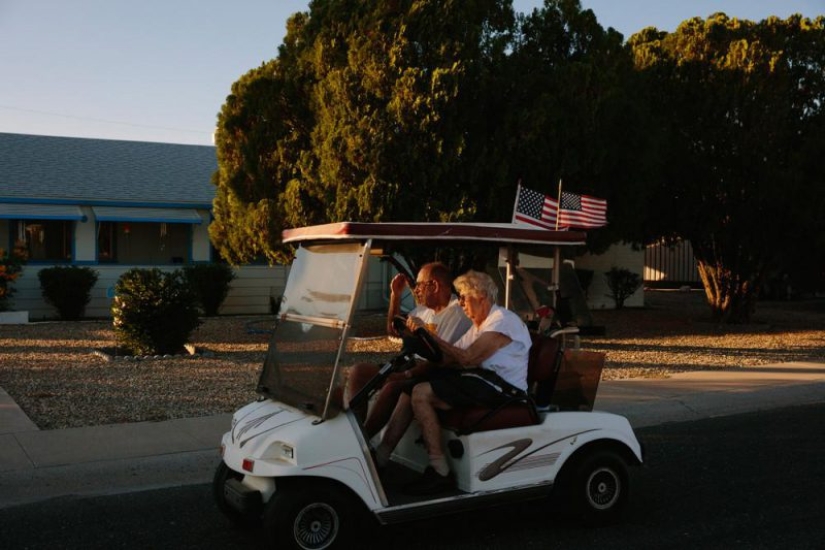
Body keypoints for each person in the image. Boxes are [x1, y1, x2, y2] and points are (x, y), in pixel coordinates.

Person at [373, 270, 532, 494]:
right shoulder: (479, 325)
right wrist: (417, 353)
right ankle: (380, 456)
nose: (461, 303)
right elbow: (450, 358)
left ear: (482, 297)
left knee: (422, 392)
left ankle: (440, 470)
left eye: (465, 297)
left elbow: (468, 358)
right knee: (411, 388)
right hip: (480, 379)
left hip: (504, 389)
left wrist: (429, 336)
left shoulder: (501, 321)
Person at [346, 262, 471, 439]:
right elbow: (393, 330)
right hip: (410, 364)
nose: (416, 290)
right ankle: (354, 431)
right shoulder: (424, 310)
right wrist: (395, 296)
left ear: (434, 286)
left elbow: (440, 359)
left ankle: (364, 440)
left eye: (419, 285)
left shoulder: (457, 314)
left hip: (435, 372)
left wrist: (406, 375)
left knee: (392, 385)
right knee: (359, 371)